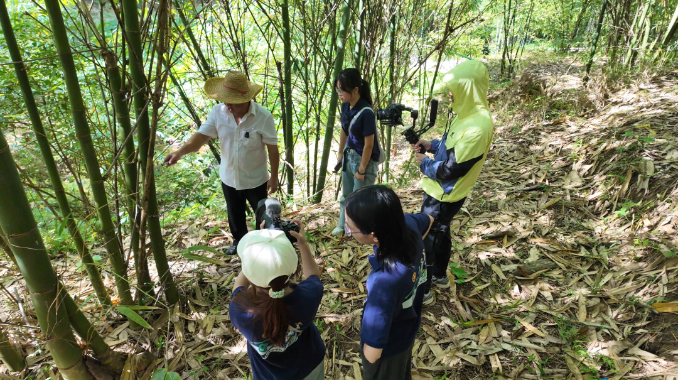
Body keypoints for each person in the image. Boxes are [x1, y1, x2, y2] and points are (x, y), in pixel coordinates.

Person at [164, 71, 280, 255]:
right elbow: (200, 138)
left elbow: (273, 150)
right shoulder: (218, 113)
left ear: (246, 99)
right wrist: (180, 152)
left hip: (256, 178)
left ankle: (262, 245)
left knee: (262, 215)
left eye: (233, 101)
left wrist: (273, 178)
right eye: (226, 100)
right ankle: (239, 242)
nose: (228, 104)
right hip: (229, 177)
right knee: (234, 214)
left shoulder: (263, 117)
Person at [412, 60, 494, 305]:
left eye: (454, 87)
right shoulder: (465, 113)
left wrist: (423, 162)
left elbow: (450, 169)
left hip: (444, 194)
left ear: (468, 88)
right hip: (439, 191)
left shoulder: (478, 126)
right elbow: (451, 147)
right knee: (440, 232)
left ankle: (423, 290)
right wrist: (431, 145)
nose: (449, 94)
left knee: (427, 238)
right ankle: (438, 276)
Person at [344, 185, 433, 380]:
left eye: (351, 228)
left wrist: (367, 358)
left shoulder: (383, 283)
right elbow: (429, 220)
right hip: (408, 329)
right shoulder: (408, 226)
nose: (348, 232)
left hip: (388, 349)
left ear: (374, 235)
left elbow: (373, 352)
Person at [229, 224, 325, 380]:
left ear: (249, 273)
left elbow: (239, 286)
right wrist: (302, 243)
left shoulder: (241, 311)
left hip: (269, 376)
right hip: (310, 366)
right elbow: (313, 275)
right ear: (294, 269)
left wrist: (255, 257)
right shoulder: (310, 295)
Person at [331, 68, 381, 236]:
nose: (339, 93)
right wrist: (340, 154)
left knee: (362, 199)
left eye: (342, 89)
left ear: (355, 90)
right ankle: (343, 225)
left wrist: (361, 170)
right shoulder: (346, 106)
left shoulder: (366, 112)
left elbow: (369, 145)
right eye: (337, 89)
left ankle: (363, 230)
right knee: (346, 195)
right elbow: (344, 131)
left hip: (363, 160)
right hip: (348, 156)